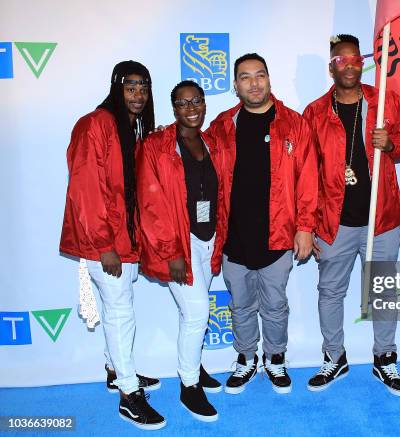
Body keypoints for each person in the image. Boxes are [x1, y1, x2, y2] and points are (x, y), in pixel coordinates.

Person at [302, 34, 400, 395]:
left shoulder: (384, 100)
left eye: (355, 59)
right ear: (331, 66)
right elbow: (305, 172)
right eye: (341, 60)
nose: (349, 65)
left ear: (362, 63)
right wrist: (306, 224)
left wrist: (393, 144)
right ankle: (334, 357)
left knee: (383, 292)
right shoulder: (315, 112)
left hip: (380, 219)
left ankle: (385, 359)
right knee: (330, 292)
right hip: (333, 222)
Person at [203, 53, 317, 395]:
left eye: (260, 75)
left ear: (269, 79)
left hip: (279, 234)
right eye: (246, 77)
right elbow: (193, 153)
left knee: (275, 303)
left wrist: (305, 226)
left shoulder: (294, 124)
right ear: (235, 85)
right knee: (239, 304)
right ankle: (245, 358)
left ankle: (275, 358)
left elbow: (308, 179)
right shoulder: (223, 125)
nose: (254, 83)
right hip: (233, 236)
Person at [59, 61, 165, 429]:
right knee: (120, 313)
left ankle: (115, 370)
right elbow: (85, 189)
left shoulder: (131, 128)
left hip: (125, 239)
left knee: (119, 308)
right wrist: (105, 245)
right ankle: (128, 395)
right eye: (130, 86)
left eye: (144, 87)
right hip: (105, 243)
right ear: (116, 87)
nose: (138, 94)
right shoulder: (95, 124)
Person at [137, 80, 224, 422]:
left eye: (197, 102)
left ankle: (195, 367)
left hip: (208, 237)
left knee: (193, 314)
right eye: (183, 104)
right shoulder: (157, 145)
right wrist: (171, 250)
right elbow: (151, 203)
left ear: (205, 104)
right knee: (198, 312)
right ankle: (189, 386)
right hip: (179, 241)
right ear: (173, 109)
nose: (191, 109)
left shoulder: (211, 141)